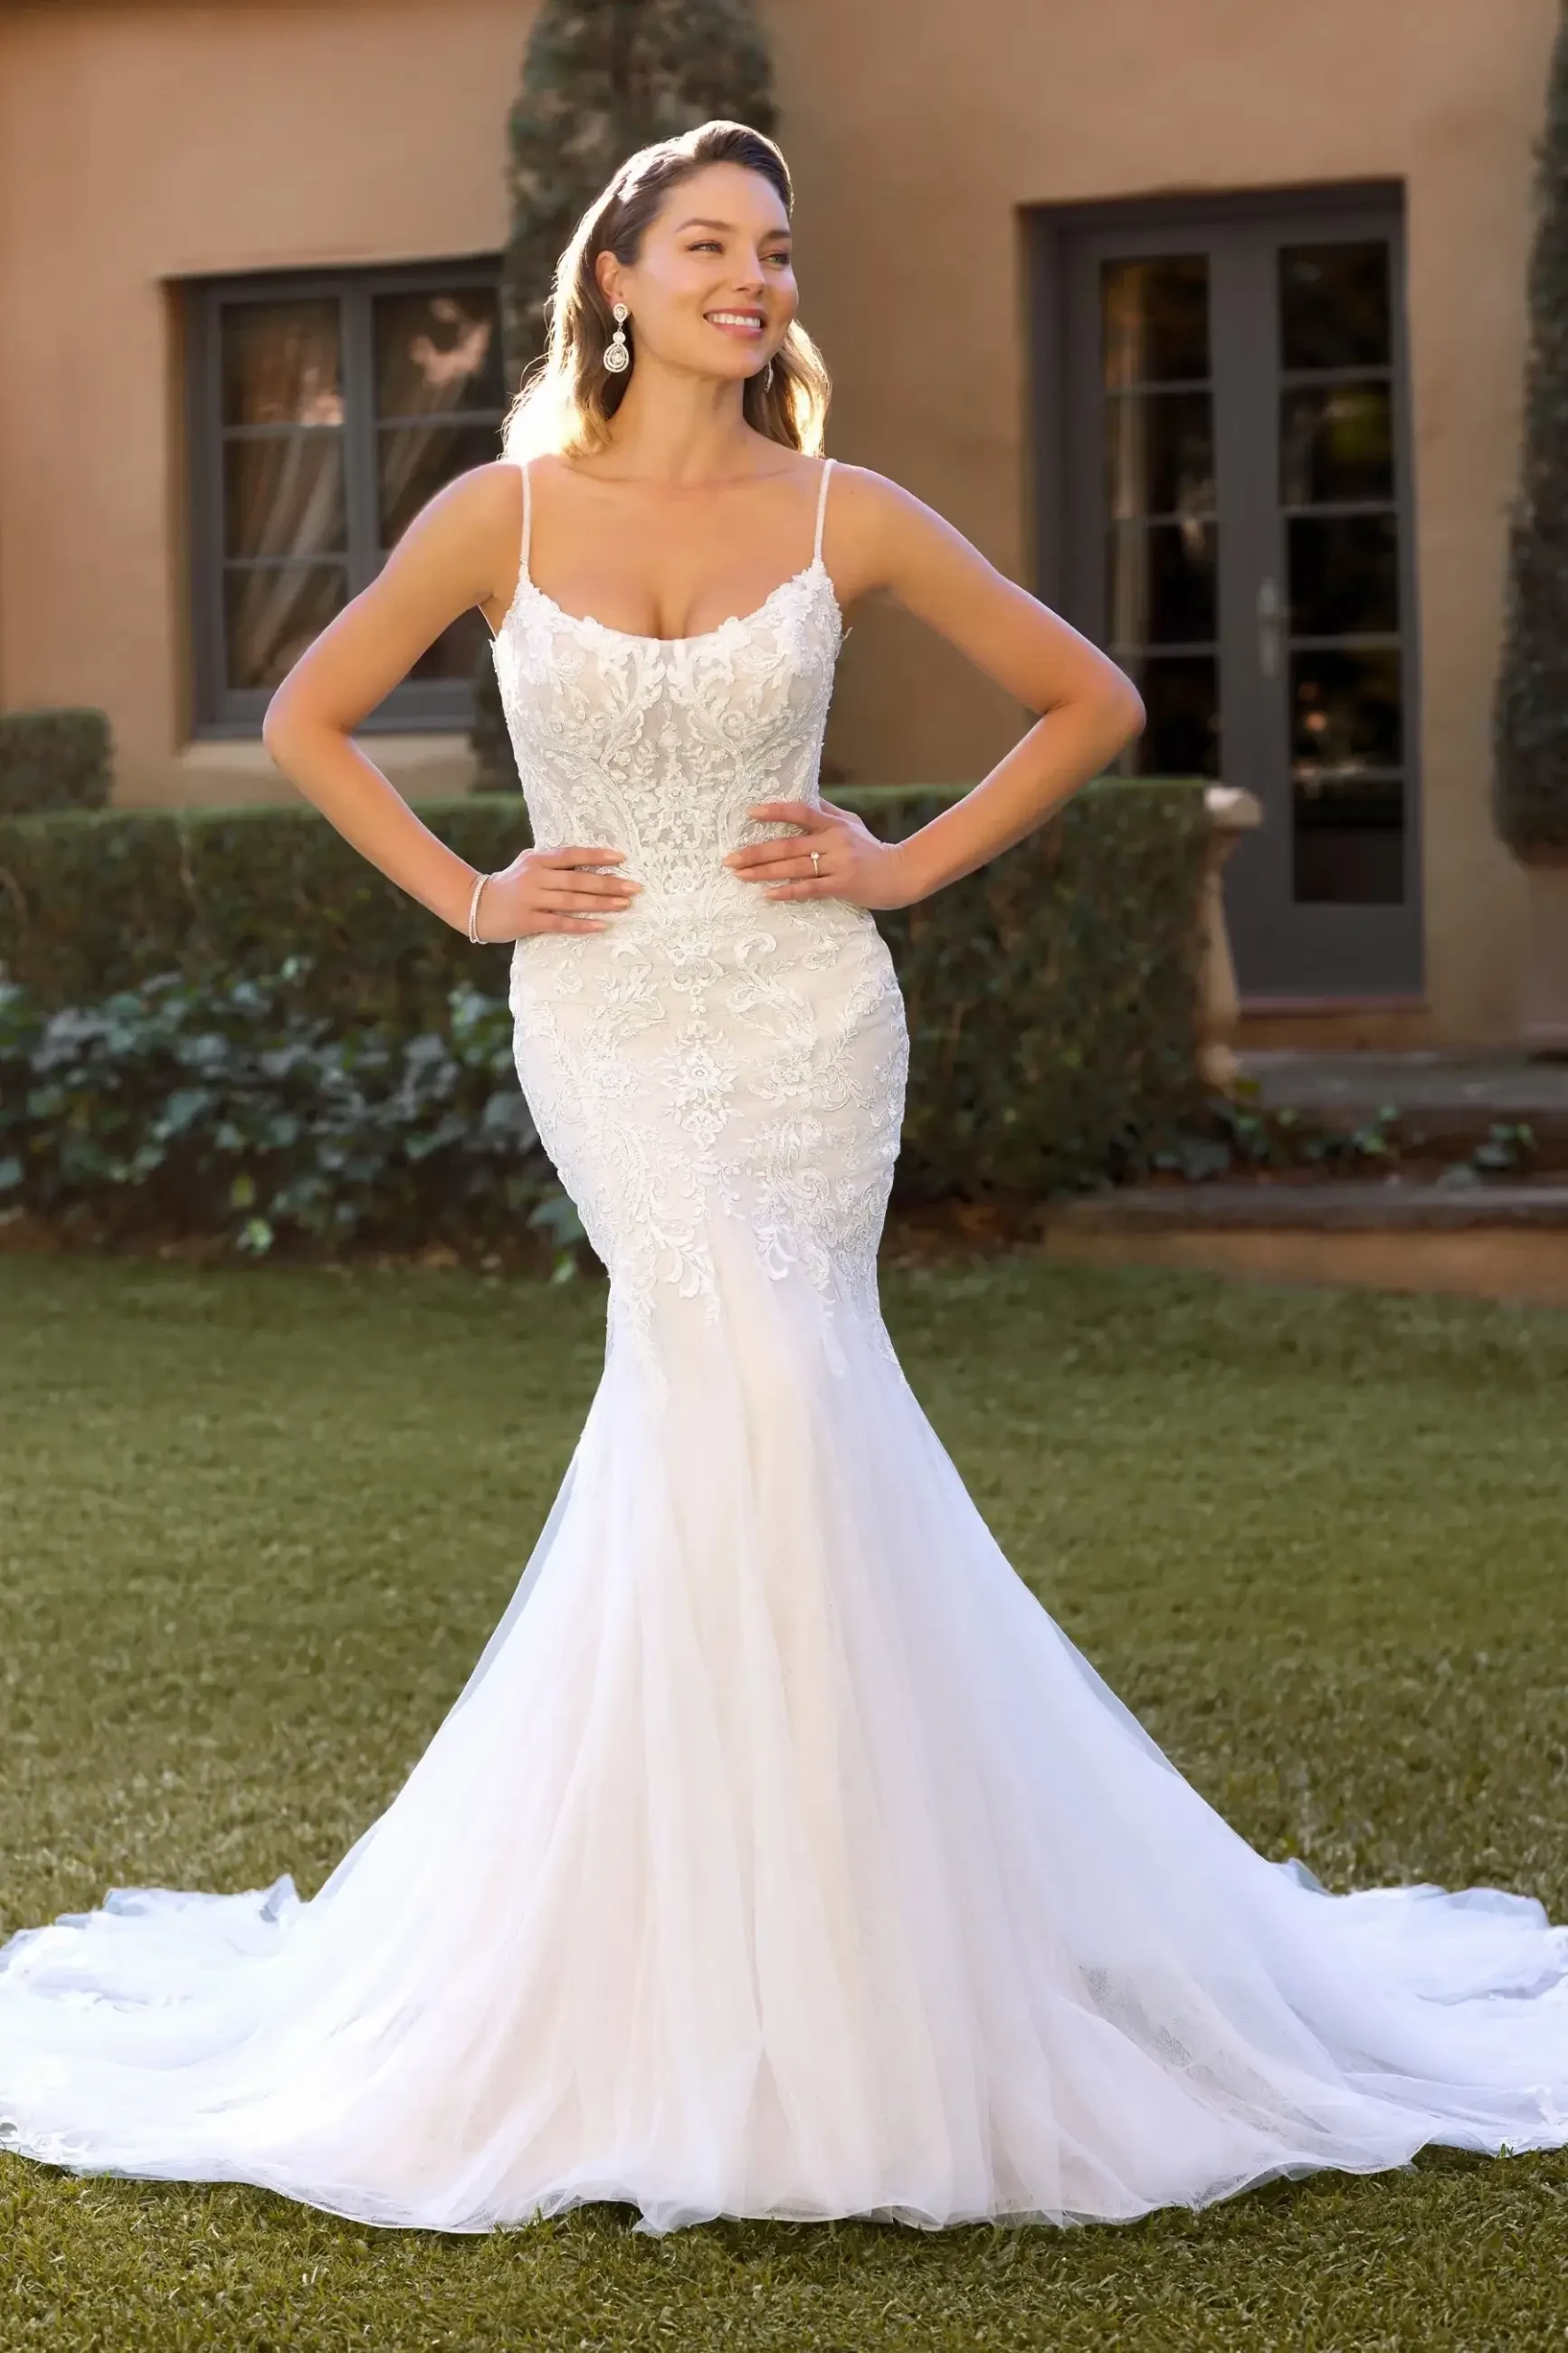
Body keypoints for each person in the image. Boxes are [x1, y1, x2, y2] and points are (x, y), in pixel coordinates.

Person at [3, 119, 1566, 2242]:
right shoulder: (499, 509)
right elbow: (306, 715)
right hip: (608, 1019)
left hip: (806, 1018)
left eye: (777, 250)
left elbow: (1087, 697)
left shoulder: (844, 506)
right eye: (712, 245)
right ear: (618, 279)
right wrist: (472, 896)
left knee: (776, 1411)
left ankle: (845, 1964)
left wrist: (900, 861)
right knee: (727, 1400)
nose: (755, 278)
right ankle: (681, 1969)